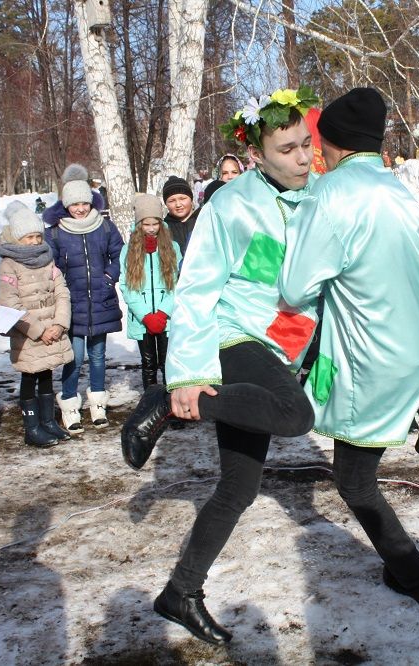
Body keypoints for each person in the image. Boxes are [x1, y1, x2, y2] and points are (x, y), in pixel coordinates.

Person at [120, 86, 321, 645]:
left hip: (281, 344)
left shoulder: (319, 197)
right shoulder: (232, 206)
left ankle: (180, 592)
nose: (303, 157)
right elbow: (196, 290)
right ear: (257, 155)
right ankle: (168, 404)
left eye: (306, 144)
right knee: (294, 414)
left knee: (238, 487)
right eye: (287, 149)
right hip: (235, 336)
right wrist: (185, 378)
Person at [280, 86, 419, 609]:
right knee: (350, 454)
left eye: (316, 144)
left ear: (330, 143)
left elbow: (294, 287)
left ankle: (417, 577)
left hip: (369, 354)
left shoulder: (330, 195)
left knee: (354, 481)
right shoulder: (402, 192)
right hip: (415, 346)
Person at [45, 163, 124, 433]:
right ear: (65, 204)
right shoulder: (56, 232)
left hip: (101, 301)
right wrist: (62, 289)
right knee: (74, 358)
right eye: (74, 204)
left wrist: (108, 277)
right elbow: (51, 266)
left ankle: (98, 404)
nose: (80, 209)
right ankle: (69, 405)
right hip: (72, 304)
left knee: (99, 355)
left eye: (84, 203)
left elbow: (118, 256)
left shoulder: (104, 227)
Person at [0, 202, 73, 448]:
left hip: (52, 329)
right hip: (29, 335)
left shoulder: (47, 260)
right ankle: (32, 427)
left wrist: (59, 325)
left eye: (37, 236)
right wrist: (39, 331)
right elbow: (10, 302)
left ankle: (48, 420)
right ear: (18, 238)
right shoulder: (9, 264)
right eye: (29, 237)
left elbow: (62, 291)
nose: (34, 241)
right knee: (30, 376)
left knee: (48, 373)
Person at [119, 194, 181, 391]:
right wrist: (145, 315)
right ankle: (151, 407)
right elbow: (126, 286)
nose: (152, 228)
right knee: (148, 365)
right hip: (142, 319)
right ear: (139, 225)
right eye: (147, 224)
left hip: (166, 319)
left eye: (156, 223)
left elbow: (177, 283)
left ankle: (171, 406)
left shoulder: (172, 247)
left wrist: (163, 313)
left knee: (167, 363)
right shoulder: (128, 250)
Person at [161, 176, 196, 257]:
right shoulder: (163, 228)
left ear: (191, 199)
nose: (178, 204)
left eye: (182, 198)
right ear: (166, 204)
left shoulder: (203, 221)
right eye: (172, 201)